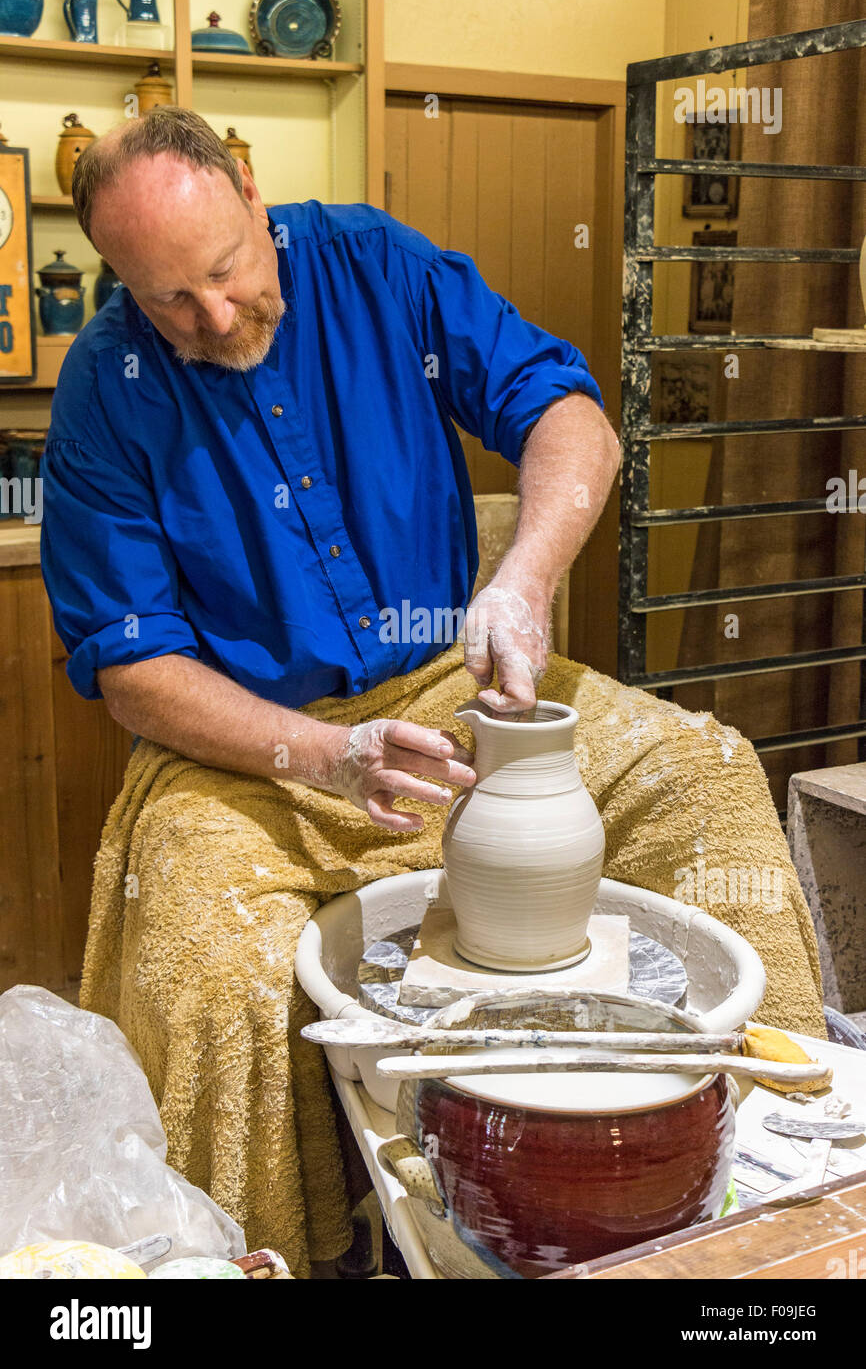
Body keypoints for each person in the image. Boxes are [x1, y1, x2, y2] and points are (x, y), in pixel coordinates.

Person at [41, 107, 825, 1274]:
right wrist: (318, 758)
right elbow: (133, 667)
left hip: (448, 684)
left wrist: (525, 576)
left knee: (702, 773)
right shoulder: (106, 383)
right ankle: (286, 1252)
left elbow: (569, 418)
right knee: (201, 954)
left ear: (252, 194)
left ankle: (777, 1177)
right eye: (166, 300)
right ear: (120, 282)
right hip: (250, 742)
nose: (211, 319)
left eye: (224, 275)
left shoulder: (377, 267)